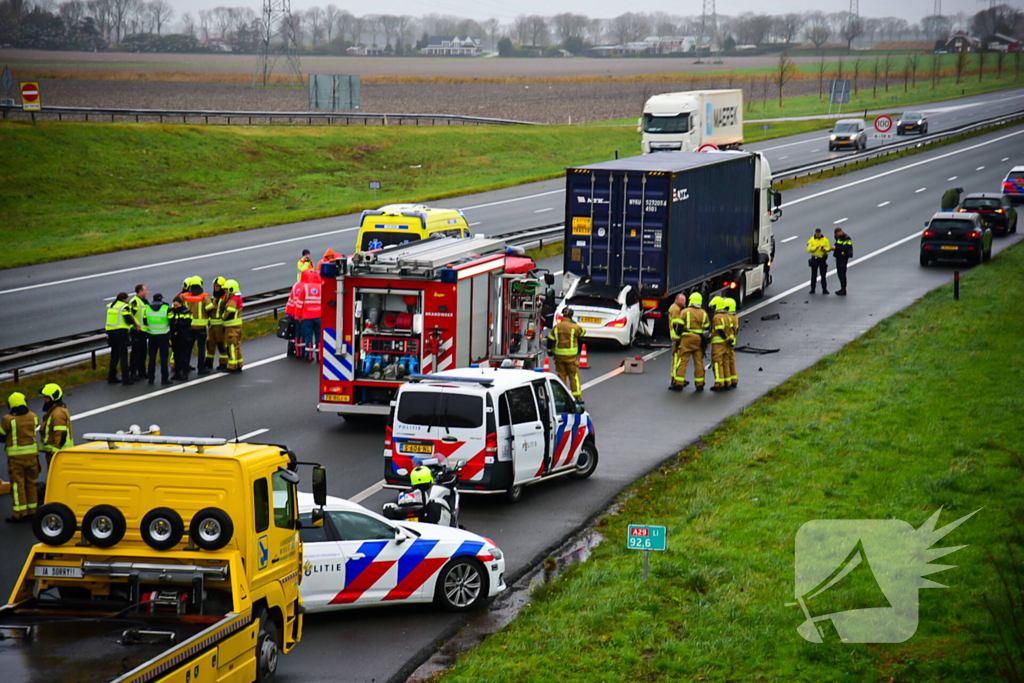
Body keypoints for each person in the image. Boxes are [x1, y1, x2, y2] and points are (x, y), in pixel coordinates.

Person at [1, 392, 40, 523]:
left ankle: (20, 513)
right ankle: (32, 510)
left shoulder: (8, 419)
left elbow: (1, 434)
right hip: (32, 458)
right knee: (31, 483)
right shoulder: (33, 417)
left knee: (18, 486)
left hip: (16, 459)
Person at [668, 292, 709, 392]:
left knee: (683, 361)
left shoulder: (684, 312)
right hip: (698, 340)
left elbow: (679, 328)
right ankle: (700, 385)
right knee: (699, 362)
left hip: (686, 340)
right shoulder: (703, 313)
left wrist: (678, 339)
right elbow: (707, 328)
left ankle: (678, 384)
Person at [547, 307, 585, 399]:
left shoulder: (557, 327)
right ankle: (577, 398)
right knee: (574, 377)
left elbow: (550, 340)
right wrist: (575, 323)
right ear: (571, 316)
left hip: (559, 358)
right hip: (571, 358)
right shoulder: (574, 327)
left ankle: (562, 398)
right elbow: (583, 332)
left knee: (561, 377)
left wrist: (550, 352)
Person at [182, 276, 214, 375]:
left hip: (189, 326)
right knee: (201, 348)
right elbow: (210, 309)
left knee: (188, 348)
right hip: (201, 327)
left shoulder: (185, 296)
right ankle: (201, 368)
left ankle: (185, 367)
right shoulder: (204, 296)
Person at [39, 383, 73, 469]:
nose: (45, 400)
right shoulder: (54, 411)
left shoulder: (58, 413)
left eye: (47, 397)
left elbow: (61, 434)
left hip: (60, 454)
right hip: (59, 452)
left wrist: (54, 453)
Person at [143, 293, 173, 386]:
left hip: (152, 336)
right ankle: (164, 379)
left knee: (152, 358)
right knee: (164, 358)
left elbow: (145, 321)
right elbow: (172, 321)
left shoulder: (147, 308)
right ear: (161, 299)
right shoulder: (166, 308)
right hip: (163, 336)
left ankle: (151, 379)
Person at [105, 292, 135, 385]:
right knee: (123, 356)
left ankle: (112, 376)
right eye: (127, 299)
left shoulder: (112, 306)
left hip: (110, 332)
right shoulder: (124, 307)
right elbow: (128, 319)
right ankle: (126, 378)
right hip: (121, 333)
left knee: (114, 355)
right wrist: (134, 323)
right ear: (124, 299)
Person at [294, 268, 322, 362]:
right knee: (319, 336)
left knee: (308, 336)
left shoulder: (305, 287)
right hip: (319, 316)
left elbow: (299, 303)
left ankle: (309, 356)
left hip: (307, 317)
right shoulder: (322, 287)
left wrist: (298, 315)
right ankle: (320, 357)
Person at [206, 276, 229, 372]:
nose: (216, 288)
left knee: (221, 344)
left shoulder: (225, 299)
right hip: (212, 325)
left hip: (220, 325)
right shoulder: (213, 298)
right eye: (215, 286)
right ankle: (208, 362)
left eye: (218, 286)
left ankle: (223, 363)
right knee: (209, 343)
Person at [709, 297, 731, 392]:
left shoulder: (717, 317)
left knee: (717, 364)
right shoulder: (727, 316)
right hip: (726, 345)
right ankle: (727, 382)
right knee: (725, 363)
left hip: (718, 344)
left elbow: (719, 330)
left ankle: (719, 384)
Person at [127, 284, 149, 381]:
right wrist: (136, 325)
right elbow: (131, 314)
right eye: (145, 290)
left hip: (144, 331)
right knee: (136, 353)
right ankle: (133, 373)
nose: (147, 292)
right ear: (140, 291)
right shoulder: (135, 301)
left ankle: (142, 371)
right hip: (137, 331)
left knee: (143, 352)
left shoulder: (145, 301)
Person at [222, 279, 244, 372]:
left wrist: (223, 317)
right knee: (237, 345)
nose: (225, 292)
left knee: (231, 345)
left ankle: (232, 366)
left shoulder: (232, 300)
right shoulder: (238, 297)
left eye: (226, 290)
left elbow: (230, 311)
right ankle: (239, 363)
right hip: (237, 325)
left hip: (231, 326)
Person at [169, 295, 193, 380]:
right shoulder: (172, 312)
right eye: (174, 305)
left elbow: (187, 323)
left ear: (181, 304)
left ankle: (185, 373)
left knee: (184, 356)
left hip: (184, 336)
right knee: (176, 356)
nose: (175, 307)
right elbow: (170, 322)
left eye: (176, 305)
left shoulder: (186, 312)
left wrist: (176, 323)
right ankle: (177, 373)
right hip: (175, 337)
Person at [806, 228, 832, 295]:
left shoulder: (825, 240)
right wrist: (816, 247)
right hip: (815, 259)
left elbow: (829, 248)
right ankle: (812, 289)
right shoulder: (812, 240)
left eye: (819, 234)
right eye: (817, 234)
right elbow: (808, 249)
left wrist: (825, 249)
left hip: (822, 259)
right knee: (814, 275)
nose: (818, 235)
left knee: (823, 275)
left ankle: (824, 289)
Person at [723, 298, 739, 390]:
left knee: (725, 362)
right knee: (732, 362)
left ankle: (727, 381)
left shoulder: (728, 318)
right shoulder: (735, 317)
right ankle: (734, 380)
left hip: (727, 342)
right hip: (733, 342)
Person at [833, 227, 854, 296]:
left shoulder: (847, 238)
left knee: (842, 272)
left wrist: (836, 248)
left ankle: (843, 288)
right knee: (839, 272)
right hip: (839, 256)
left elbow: (846, 247)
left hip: (843, 257)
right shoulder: (838, 238)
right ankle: (842, 288)